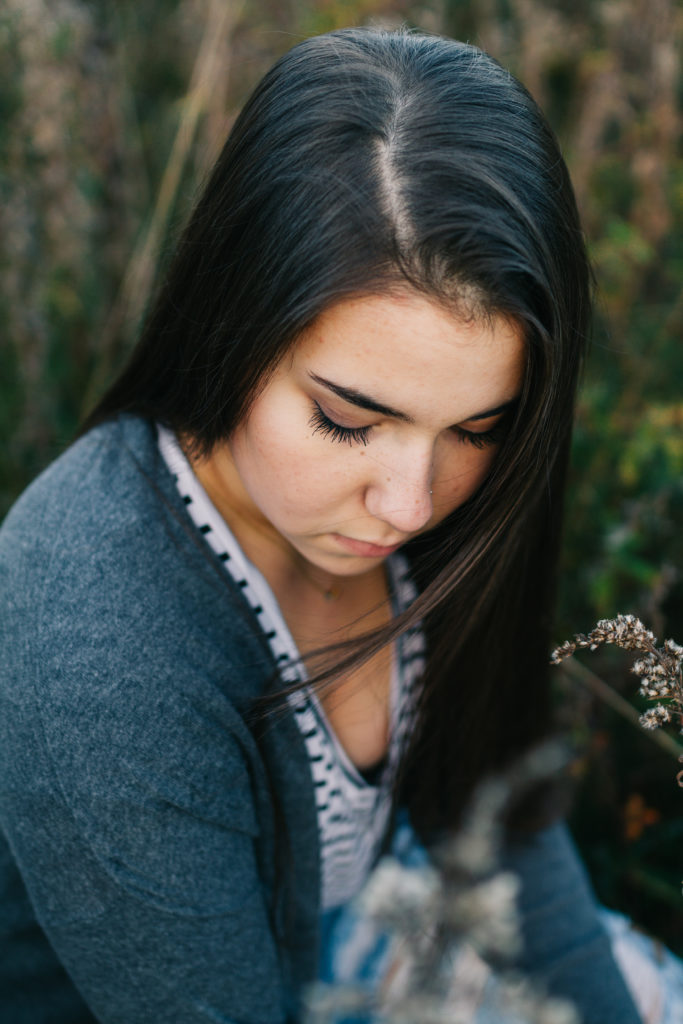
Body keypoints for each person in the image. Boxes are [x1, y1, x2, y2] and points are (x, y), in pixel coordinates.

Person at [0, 26, 667, 1024]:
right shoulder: (103, 647)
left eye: (478, 427)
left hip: (330, 944)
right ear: (230, 327)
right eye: (348, 420)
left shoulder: (448, 507)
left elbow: (502, 823)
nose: (410, 504)